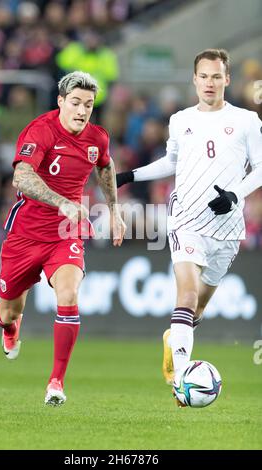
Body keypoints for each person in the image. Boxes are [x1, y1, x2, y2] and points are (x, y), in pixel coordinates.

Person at [116, 49, 262, 406]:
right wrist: (128, 175)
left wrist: (235, 194)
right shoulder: (180, 120)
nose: (209, 83)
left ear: (227, 79)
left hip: (226, 227)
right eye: (204, 76)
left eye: (216, 76)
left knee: (197, 309)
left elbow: (260, 167)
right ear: (194, 79)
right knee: (186, 297)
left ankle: (174, 340)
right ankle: (182, 382)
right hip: (186, 220)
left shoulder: (247, 121)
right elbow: (171, 162)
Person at [0, 71, 126, 406]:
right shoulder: (40, 131)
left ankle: (56, 381)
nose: (82, 110)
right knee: (9, 311)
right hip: (26, 233)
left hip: (66, 233)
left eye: (88, 104)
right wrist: (63, 202)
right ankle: (11, 328)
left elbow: (106, 168)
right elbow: (21, 177)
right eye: (76, 103)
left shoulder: (97, 138)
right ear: (61, 102)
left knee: (68, 294)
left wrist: (114, 210)